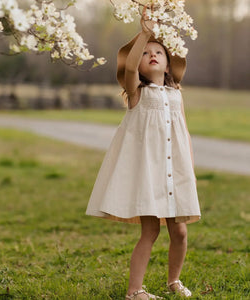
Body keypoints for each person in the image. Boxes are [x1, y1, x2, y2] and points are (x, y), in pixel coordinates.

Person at [86, 6, 201, 300]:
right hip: (150, 174)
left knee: (181, 233)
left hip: (176, 173)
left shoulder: (176, 95)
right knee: (150, 232)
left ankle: (173, 281)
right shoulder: (137, 93)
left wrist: (190, 172)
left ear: (168, 64)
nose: (152, 54)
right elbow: (127, 67)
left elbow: (184, 133)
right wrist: (146, 34)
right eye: (145, 53)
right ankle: (134, 291)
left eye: (158, 52)